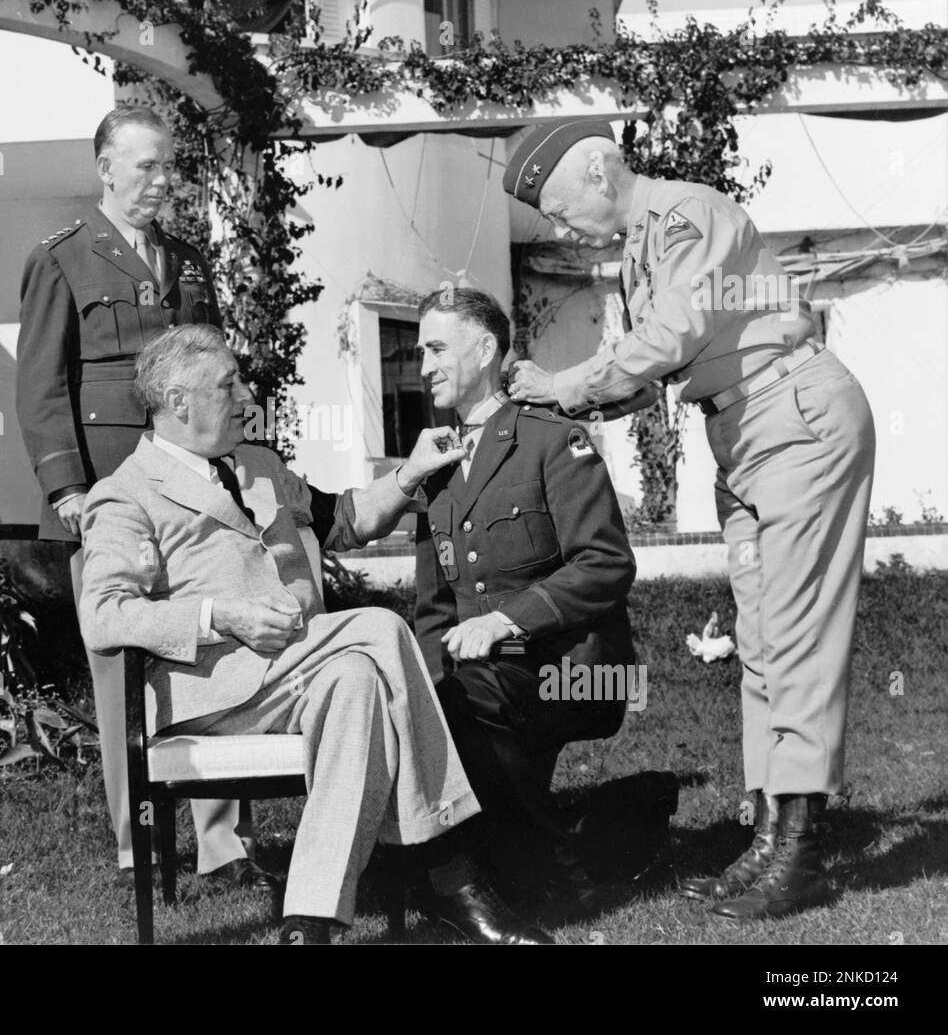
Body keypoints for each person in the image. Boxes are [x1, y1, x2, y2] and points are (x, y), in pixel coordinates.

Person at [503, 120, 876, 919]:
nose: (566, 229)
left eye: (566, 209)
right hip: (743, 429)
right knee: (763, 640)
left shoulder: (685, 215)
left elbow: (673, 333)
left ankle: (803, 850)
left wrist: (570, 383)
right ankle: (771, 838)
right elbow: (650, 373)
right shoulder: (641, 253)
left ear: (601, 169)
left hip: (793, 410)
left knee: (799, 632)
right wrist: (559, 391)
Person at [78, 324, 554, 945]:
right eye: (229, 384)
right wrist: (220, 616)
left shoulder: (258, 465)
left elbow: (344, 521)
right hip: (216, 694)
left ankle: (310, 922)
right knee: (381, 627)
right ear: (177, 401)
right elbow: (105, 613)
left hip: (307, 669)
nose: (247, 394)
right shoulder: (125, 494)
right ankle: (452, 875)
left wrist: (410, 474)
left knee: (358, 679)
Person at [15, 106, 263, 890]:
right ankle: (138, 843)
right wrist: (67, 489)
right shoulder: (60, 259)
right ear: (106, 169)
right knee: (120, 664)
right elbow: (40, 385)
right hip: (113, 496)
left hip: (192, 496)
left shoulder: (188, 262)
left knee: (214, 653)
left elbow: (213, 373)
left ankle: (224, 845)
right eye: (147, 167)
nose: (162, 181)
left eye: (169, 167)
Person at [412, 287, 637, 909]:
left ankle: (564, 874)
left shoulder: (551, 438)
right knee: (437, 701)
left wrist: (506, 620)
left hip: (578, 668)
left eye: (437, 348)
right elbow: (435, 608)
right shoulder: (437, 465)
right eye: (419, 351)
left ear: (486, 349)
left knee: (467, 700)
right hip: (488, 679)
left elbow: (607, 562)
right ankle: (498, 861)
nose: (424, 365)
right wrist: (423, 691)